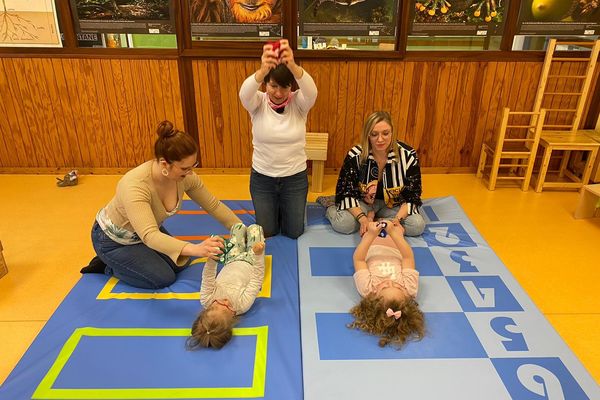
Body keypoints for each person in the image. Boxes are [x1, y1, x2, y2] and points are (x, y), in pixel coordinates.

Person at [80, 120, 242, 289]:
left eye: (193, 165)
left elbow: (213, 205)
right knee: (163, 278)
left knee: (180, 264)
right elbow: (150, 236)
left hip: (144, 232)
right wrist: (197, 249)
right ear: (165, 164)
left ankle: (131, 259)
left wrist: (239, 228)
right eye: (185, 168)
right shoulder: (135, 185)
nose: (191, 173)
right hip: (113, 241)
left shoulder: (185, 177)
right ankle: (108, 264)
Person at [239, 38, 318, 239]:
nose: (278, 93)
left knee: (294, 232)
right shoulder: (257, 102)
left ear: (291, 87)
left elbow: (312, 91)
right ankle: (276, 208)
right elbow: (244, 93)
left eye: (285, 87)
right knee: (268, 232)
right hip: (262, 179)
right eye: (273, 86)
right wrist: (263, 69)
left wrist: (292, 65)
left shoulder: (299, 104)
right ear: (266, 84)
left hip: (295, 178)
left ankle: (285, 207)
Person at [318, 111, 425, 237]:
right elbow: (346, 192)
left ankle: (376, 220)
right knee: (344, 224)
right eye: (374, 134)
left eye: (385, 133)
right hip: (362, 202)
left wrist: (397, 220)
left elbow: (413, 196)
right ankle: (331, 204)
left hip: (393, 205)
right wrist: (362, 219)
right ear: (367, 135)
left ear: (392, 133)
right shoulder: (355, 156)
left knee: (417, 226)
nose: (380, 139)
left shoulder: (408, 156)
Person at [187, 223, 265, 350]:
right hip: (251, 261)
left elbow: (208, 277)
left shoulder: (206, 299)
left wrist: (213, 259)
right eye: (226, 310)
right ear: (232, 320)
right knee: (255, 229)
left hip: (232, 259)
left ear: (205, 310)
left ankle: (242, 235)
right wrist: (258, 254)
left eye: (217, 306)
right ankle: (254, 239)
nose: (225, 302)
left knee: (237, 227)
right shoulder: (242, 305)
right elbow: (257, 279)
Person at [349, 220, 425, 348]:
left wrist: (371, 235)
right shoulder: (410, 288)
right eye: (397, 286)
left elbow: (359, 259)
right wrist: (394, 233)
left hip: (371, 242)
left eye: (384, 287)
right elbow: (408, 258)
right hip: (396, 243)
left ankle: (370, 215)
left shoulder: (367, 289)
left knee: (367, 224)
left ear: (374, 297)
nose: (390, 282)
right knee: (398, 223)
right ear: (406, 295)